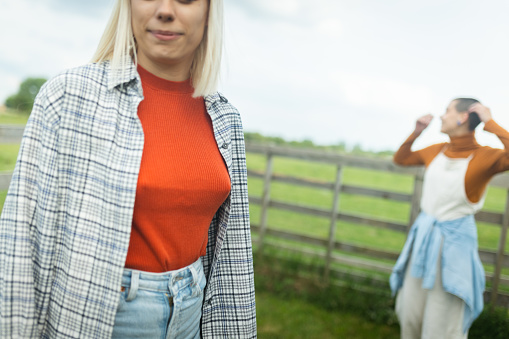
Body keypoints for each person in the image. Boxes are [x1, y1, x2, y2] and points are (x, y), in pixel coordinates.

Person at [0, 0, 257, 338]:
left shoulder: (226, 119)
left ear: (209, 11)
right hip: (102, 315)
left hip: (194, 312)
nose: (165, 10)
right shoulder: (68, 98)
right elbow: (20, 242)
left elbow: (233, 255)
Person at [390, 98, 509, 339]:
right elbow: (401, 159)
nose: (442, 116)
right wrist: (416, 132)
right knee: (411, 313)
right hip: (422, 242)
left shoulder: (485, 157)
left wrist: (490, 122)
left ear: (463, 117)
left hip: (453, 249)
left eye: (447, 111)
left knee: (442, 320)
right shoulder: (437, 150)